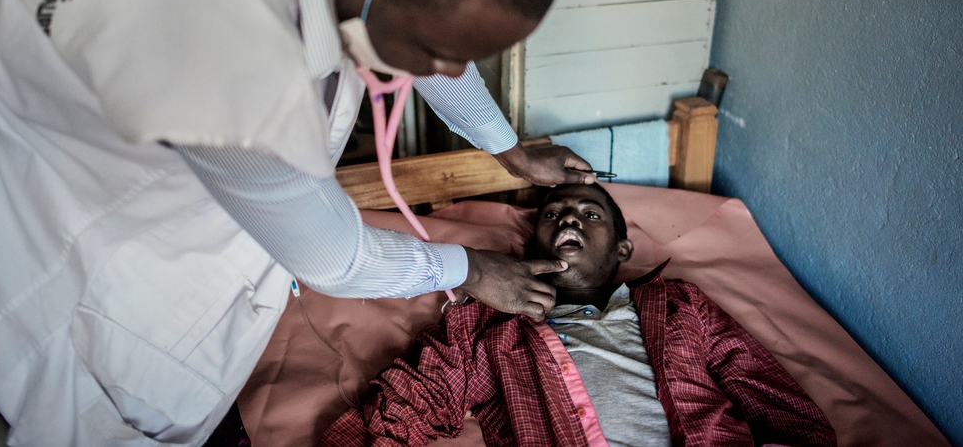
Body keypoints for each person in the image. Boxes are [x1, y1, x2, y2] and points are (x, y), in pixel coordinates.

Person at [0, 0, 593, 447]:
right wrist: (469, 270)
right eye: (436, 50)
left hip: (70, 53)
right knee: (108, 390)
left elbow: (431, 5)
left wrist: (505, 146)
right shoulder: (225, 51)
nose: (450, 69)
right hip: (23, 174)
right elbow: (333, 256)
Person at [323, 183, 838, 447]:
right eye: (552, 213)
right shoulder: (492, 324)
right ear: (528, 247)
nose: (569, 215)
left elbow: (768, 392)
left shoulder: (680, 304)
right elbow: (417, 398)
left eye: (591, 214)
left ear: (621, 248)